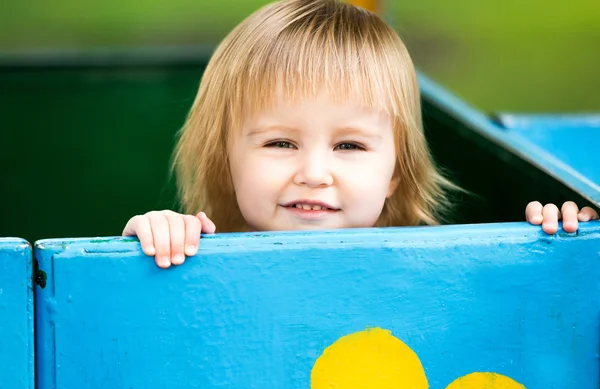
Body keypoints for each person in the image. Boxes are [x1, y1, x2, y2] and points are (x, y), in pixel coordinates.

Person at [123, 0, 599, 268]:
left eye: (348, 145)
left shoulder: (434, 264)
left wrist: (556, 234)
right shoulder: (196, 253)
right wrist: (154, 239)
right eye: (280, 143)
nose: (313, 174)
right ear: (226, 158)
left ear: (395, 173)